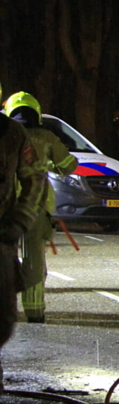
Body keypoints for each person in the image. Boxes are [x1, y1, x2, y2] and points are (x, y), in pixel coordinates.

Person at [3, 92, 78, 323]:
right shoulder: (46, 137)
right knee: (33, 260)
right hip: (34, 207)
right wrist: (48, 163)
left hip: (5, 206)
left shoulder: (8, 135)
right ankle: (34, 312)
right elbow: (68, 166)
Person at [0, 80, 45, 384]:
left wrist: (19, 221)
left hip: (1, 237)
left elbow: (34, 178)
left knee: (2, 319)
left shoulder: (11, 133)